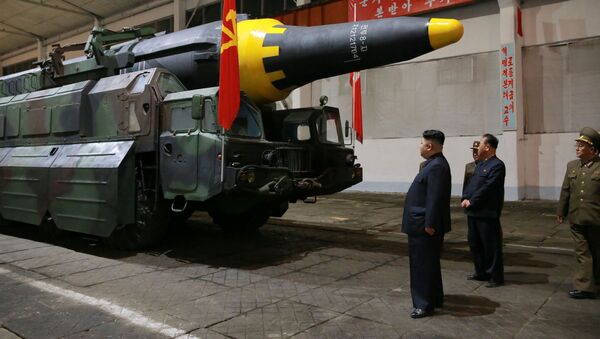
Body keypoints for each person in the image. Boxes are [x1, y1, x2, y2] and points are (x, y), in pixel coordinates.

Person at [402, 130, 451, 318]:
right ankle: (435, 297)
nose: (420, 146)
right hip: (422, 223)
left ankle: (423, 304)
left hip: (424, 226)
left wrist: (430, 223)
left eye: (421, 143)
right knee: (429, 264)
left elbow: (435, 198)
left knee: (421, 265)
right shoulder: (433, 164)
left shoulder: (437, 166)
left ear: (429, 146)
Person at [556, 127, 600, 299]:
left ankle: (594, 282)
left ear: (593, 149)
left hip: (596, 218)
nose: (578, 148)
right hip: (576, 218)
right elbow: (565, 191)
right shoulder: (572, 166)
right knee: (583, 253)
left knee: (596, 251)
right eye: (578, 144)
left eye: (582, 145)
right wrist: (561, 210)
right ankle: (585, 287)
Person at [461, 134, 506, 288]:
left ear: (487, 147)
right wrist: (465, 197)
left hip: (487, 213)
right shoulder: (480, 164)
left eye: (480, 144)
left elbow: (488, 188)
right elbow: (471, 184)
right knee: (475, 244)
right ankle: (480, 272)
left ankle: (495, 276)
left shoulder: (497, 165)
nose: (477, 147)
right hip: (473, 212)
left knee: (490, 246)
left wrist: (472, 201)